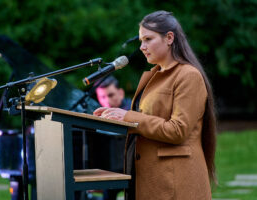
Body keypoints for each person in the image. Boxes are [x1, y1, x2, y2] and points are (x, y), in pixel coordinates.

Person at [93, 10, 217, 200]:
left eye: (148, 39)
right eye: (141, 40)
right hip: (153, 181)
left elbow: (178, 131)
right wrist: (114, 118)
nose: (142, 47)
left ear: (169, 38)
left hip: (176, 185)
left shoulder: (188, 75)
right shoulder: (152, 77)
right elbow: (147, 123)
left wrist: (127, 116)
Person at [94, 76, 132, 200]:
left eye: (110, 95)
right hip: (108, 169)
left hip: (132, 167)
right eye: (102, 97)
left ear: (120, 93)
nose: (107, 101)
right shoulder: (98, 115)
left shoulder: (134, 110)